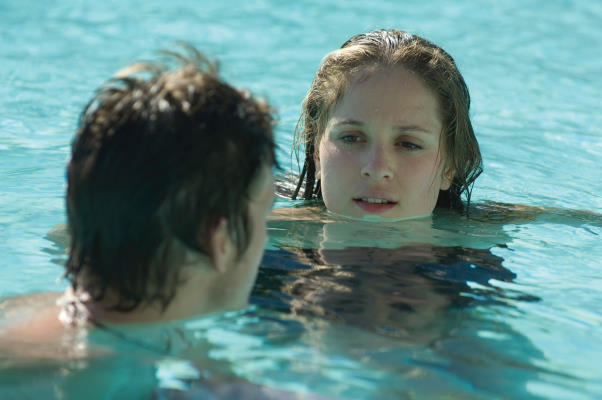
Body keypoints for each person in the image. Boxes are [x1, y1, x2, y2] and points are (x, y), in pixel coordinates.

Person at [0, 45, 277, 344]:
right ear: (221, 241)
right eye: (265, 212)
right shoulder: (102, 380)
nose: (264, 235)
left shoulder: (28, 314)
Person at [290, 29, 482, 220]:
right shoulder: (265, 234)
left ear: (449, 167)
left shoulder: (489, 240)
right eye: (351, 138)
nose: (376, 169)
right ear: (317, 155)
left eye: (408, 144)